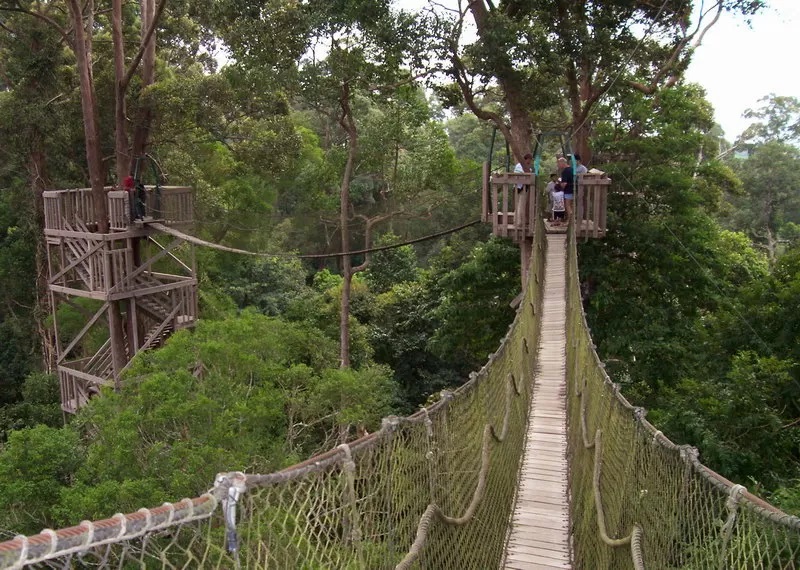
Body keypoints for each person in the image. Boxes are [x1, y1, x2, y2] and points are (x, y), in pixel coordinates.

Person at [558, 156, 574, 223]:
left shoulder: (565, 171)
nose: (558, 165)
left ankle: (570, 221)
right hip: (573, 189)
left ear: (563, 163)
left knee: (567, 205)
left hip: (568, 190)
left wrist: (560, 184)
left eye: (559, 163)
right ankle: (570, 220)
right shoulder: (572, 169)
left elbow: (564, 184)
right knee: (571, 206)